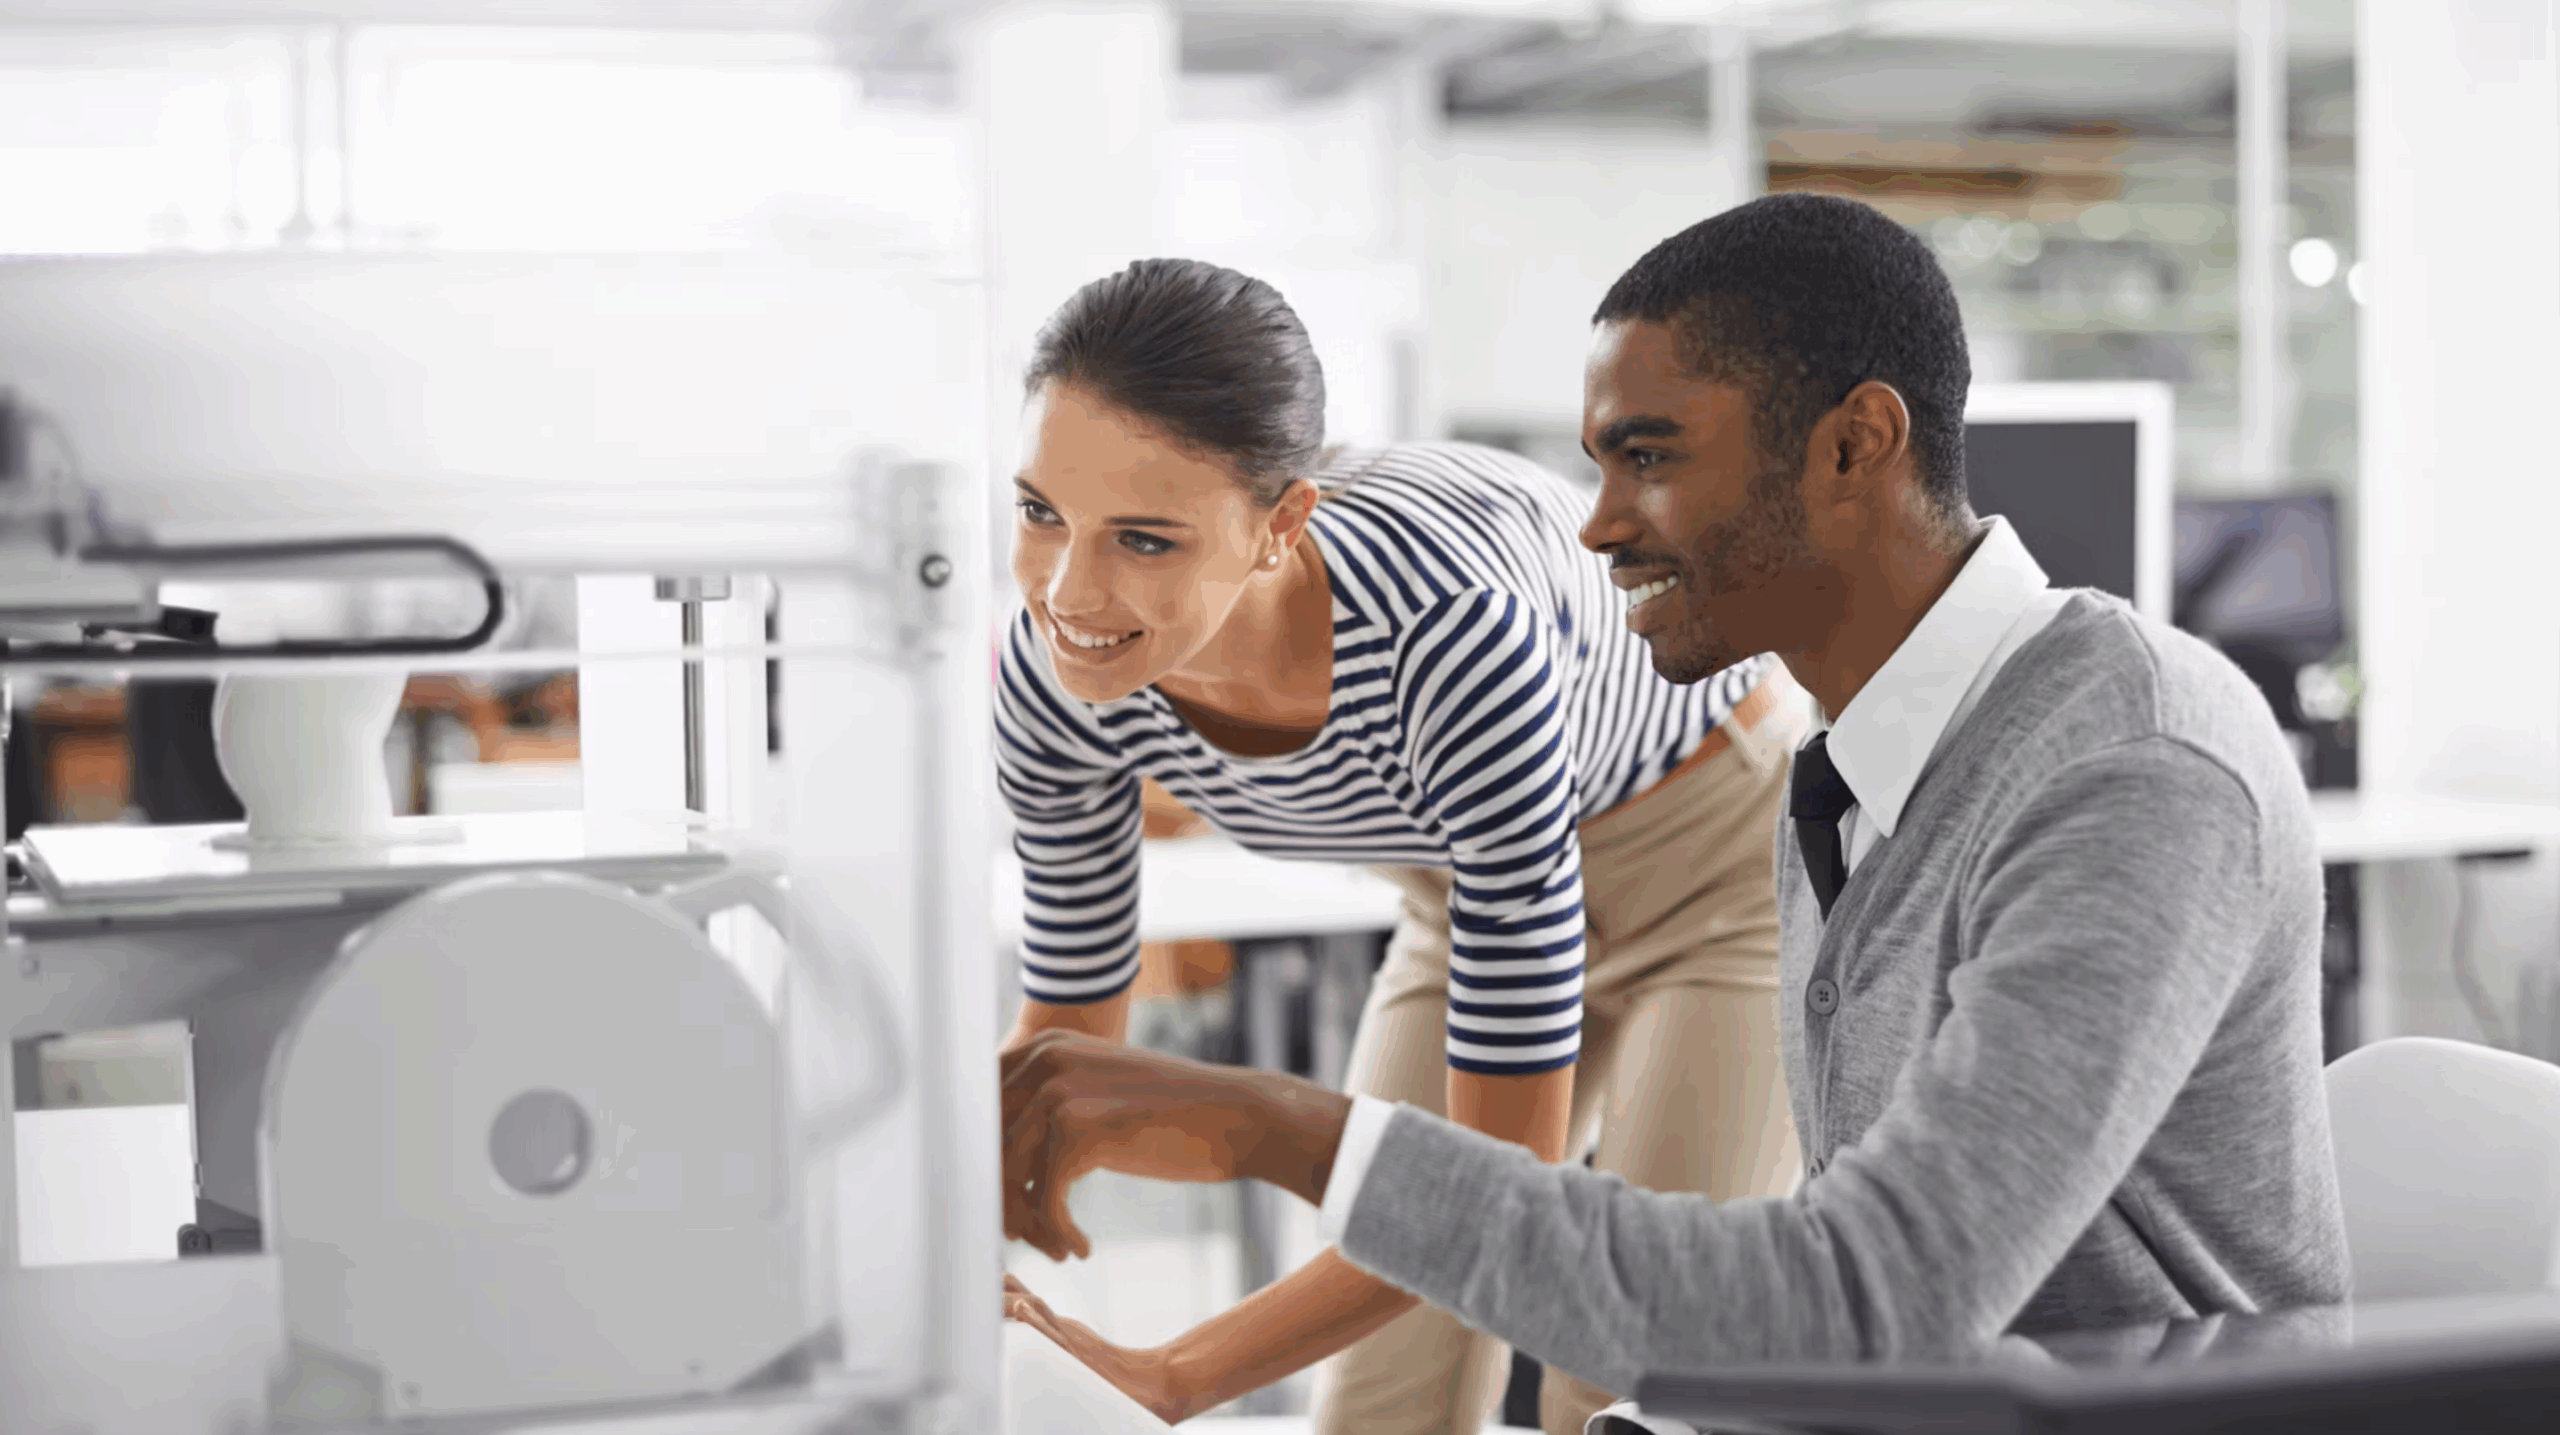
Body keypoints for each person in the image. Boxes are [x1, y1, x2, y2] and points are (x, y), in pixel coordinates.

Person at [998, 193, 2351, 1433]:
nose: (1592, 530)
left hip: (2117, 1411)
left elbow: (1866, 1303)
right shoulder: (1863, 772)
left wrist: (1273, 1131)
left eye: (1649, 457)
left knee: (1619, 1383)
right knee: (1418, 1399)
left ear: (1852, 446)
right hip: (1950, 1391)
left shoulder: (2133, 765)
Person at [995, 257, 1811, 1435]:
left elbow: (1496, 1195)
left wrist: (1173, 1376)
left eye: (1145, 539)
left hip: (1717, 856)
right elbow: (1068, 1042)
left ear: (1281, 524)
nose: (1067, 590)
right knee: (1382, 1395)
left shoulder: (1448, 636)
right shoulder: (1052, 674)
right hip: (1463, 882)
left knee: (1620, 1372)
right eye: (1038, 511)